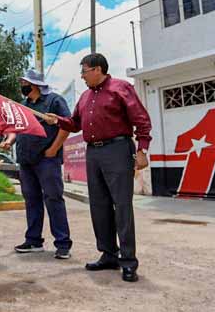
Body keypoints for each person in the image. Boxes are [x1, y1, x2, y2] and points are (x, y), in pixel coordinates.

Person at [43, 53, 151, 282]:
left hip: (118, 149)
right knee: (99, 205)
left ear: (97, 69)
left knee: (122, 205)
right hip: (93, 151)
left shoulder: (121, 88)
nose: (81, 76)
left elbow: (140, 118)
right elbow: (74, 124)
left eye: (84, 71)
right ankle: (108, 254)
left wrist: (142, 149)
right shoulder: (84, 97)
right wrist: (57, 121)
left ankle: (129, 261)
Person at [0, 70, 73, 260]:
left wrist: (53, 149)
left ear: (34, 84)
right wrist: (10, 140)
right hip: (26, 161)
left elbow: (67, 126)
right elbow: (17, 129)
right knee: (31, 200)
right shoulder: (23, 106)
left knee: (53, 198)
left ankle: (63, 243)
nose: (21, 86)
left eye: (23, 82)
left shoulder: (54, 101)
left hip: (47, 160)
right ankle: (34, 240)